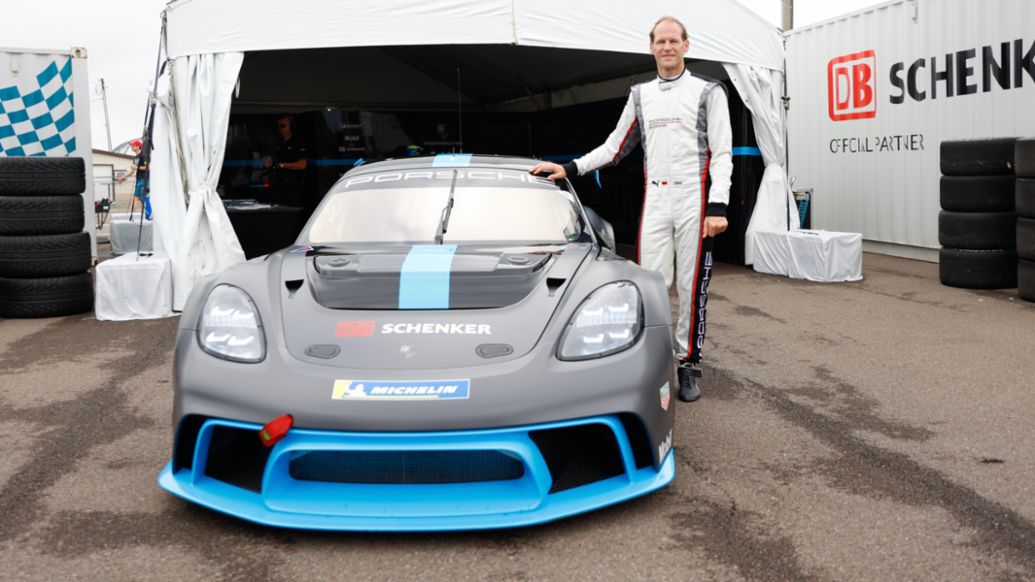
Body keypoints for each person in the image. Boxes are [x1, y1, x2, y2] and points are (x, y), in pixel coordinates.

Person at [530, 15, 732, 403]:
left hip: (695, 198)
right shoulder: (641, 94)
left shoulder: (709, 91)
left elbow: (722, 153)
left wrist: (717, 205)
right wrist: (570, 168)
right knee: (651, 285)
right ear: (652, 47)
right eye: (661, 41)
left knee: (692, 287)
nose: (668, 47)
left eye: (674, 41)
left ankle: (688, 365)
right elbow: (613, 147)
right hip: (656, 198)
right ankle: (649, 362)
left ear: (686, 46)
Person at [265, 116, 308, 205]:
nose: (280, 129)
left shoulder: (297, 142)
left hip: (292, 185)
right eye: (278, 126)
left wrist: (282, 165)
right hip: (278, 184)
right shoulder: (278, 143)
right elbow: (272, 159)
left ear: (291, 126)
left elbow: (302, 164)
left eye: (283, 126)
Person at [117, 139, 151, 220]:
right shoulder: (135, 158)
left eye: (133, 145)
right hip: (139, 180)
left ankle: (132, 217)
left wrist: (137, 167)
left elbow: (148, 167)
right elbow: (132, 170)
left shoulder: (143, 155)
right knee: (144, 199)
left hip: (144, 179)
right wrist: (123, 176)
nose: (132, 146)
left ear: (138, 146)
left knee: (135, 198)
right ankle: (149, 216)